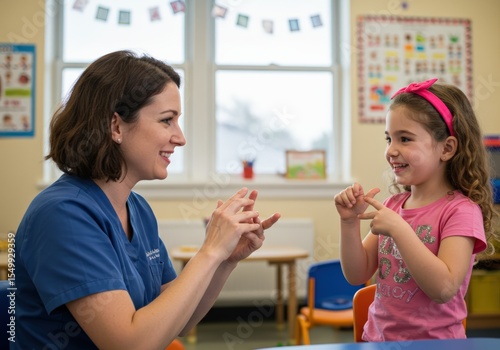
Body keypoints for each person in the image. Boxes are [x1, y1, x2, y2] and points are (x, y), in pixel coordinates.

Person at [13, 50, 281, 349]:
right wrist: (209, 251)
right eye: (167, 120)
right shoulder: (62, 215)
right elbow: (129, 345)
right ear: (116, 127)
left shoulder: (137, 209)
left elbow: (180, 319)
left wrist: (224, 260)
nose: (180, 138)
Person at [334, 78, 499, 341]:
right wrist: (348, 223)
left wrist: (400, 230)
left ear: (446, 148)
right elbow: (356, 273)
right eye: (389, 138)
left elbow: (443, 288)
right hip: (377, 342)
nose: (391, 150)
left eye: (405, 139)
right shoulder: (392, 207)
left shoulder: (461, 212)